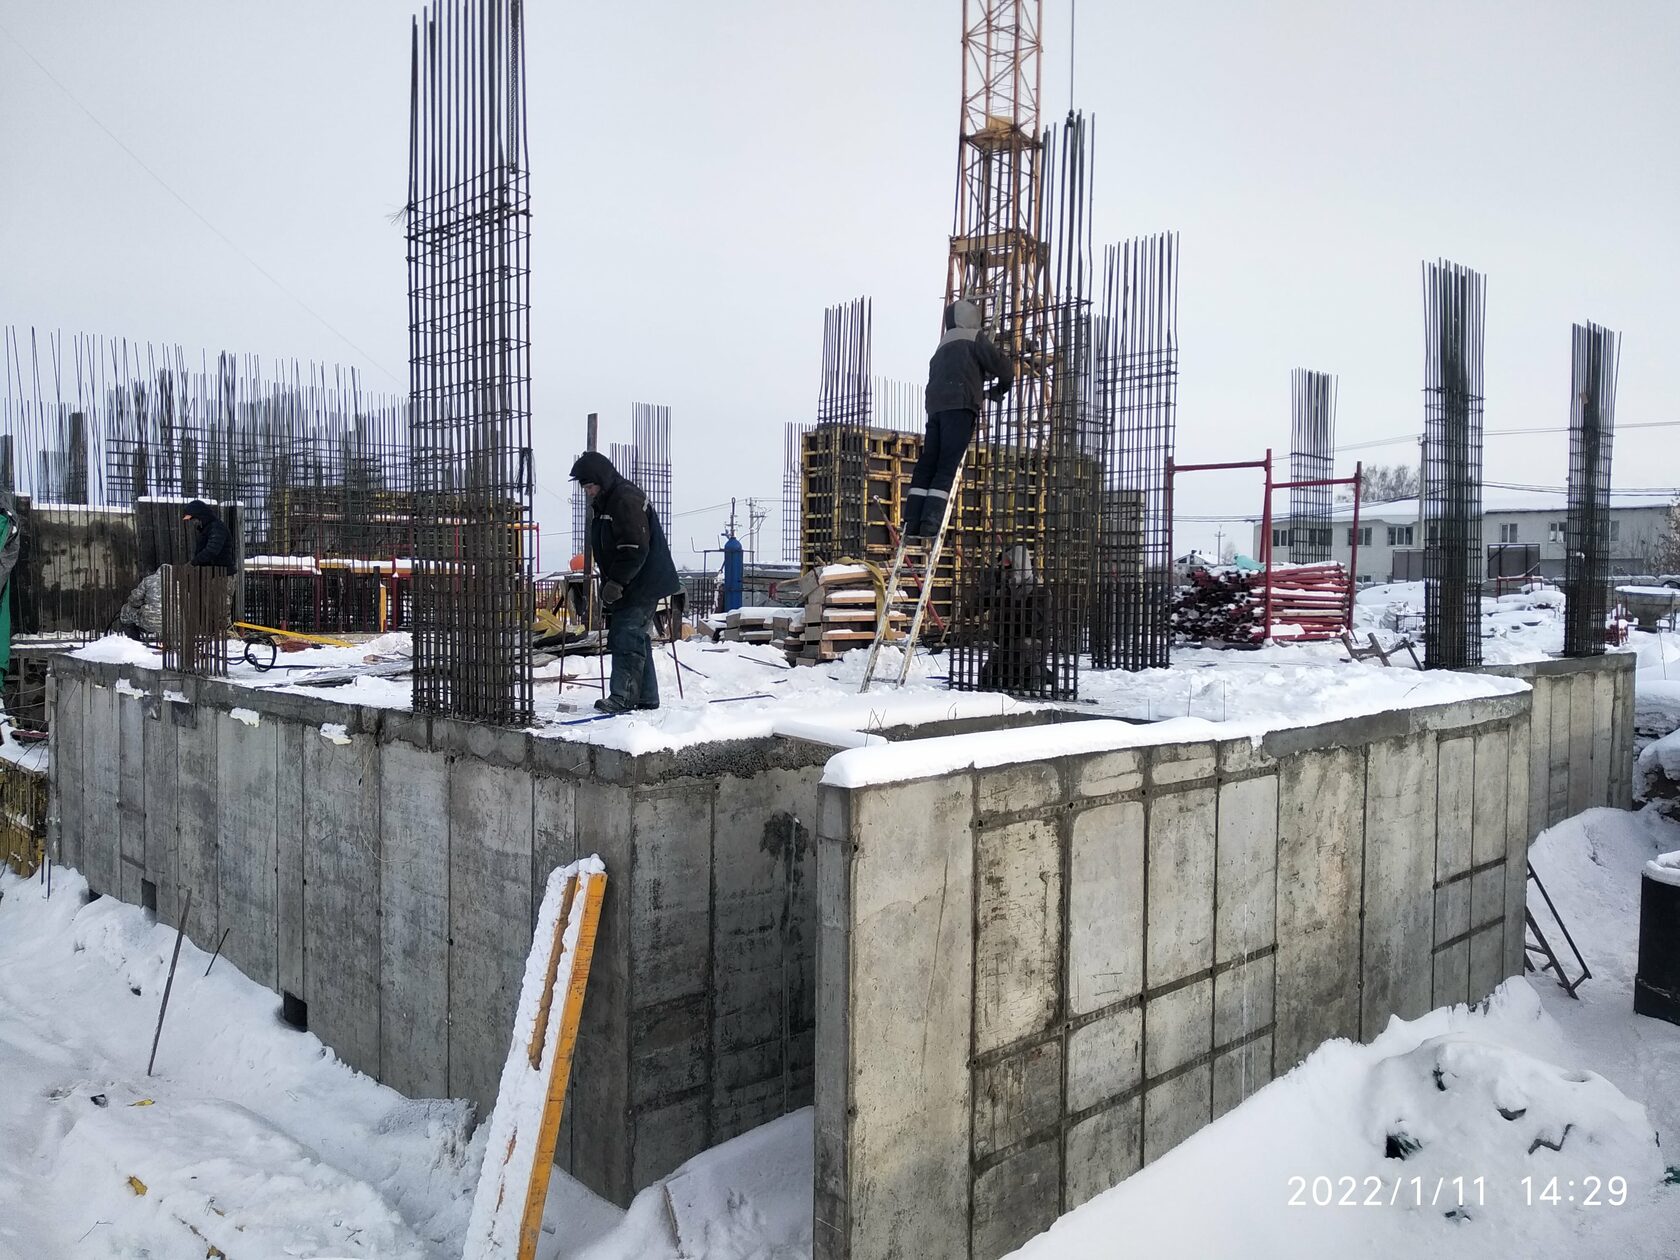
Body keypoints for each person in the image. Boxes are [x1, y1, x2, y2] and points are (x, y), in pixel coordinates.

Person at [569, 451, 681, 714]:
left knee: (625, 636)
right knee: (637, 638)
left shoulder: (624, 499)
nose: (587, 492)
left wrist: (617, 581)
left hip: (641, 581)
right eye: (584, 487)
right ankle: (646, 697)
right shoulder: (609, 499)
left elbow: (634, 548)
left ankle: (623, 697)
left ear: (601, 479)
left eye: (589, 486)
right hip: (638, 580)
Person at [903, 298, 1014, 539]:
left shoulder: (942, 344)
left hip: (935, 407)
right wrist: (1000, 389)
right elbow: (1003, 368)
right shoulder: (974, 337)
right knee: (947, 464)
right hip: (960, 404)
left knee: (928, 462)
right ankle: (931, 523)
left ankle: (911, 522)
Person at [183, 500, 237, 574]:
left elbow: (211, 550)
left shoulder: (216, 527)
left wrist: (193, 563)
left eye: (193, 519)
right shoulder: (207, 528)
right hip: (215, 573)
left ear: (200, 516)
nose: (193, 522)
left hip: (222, 574)